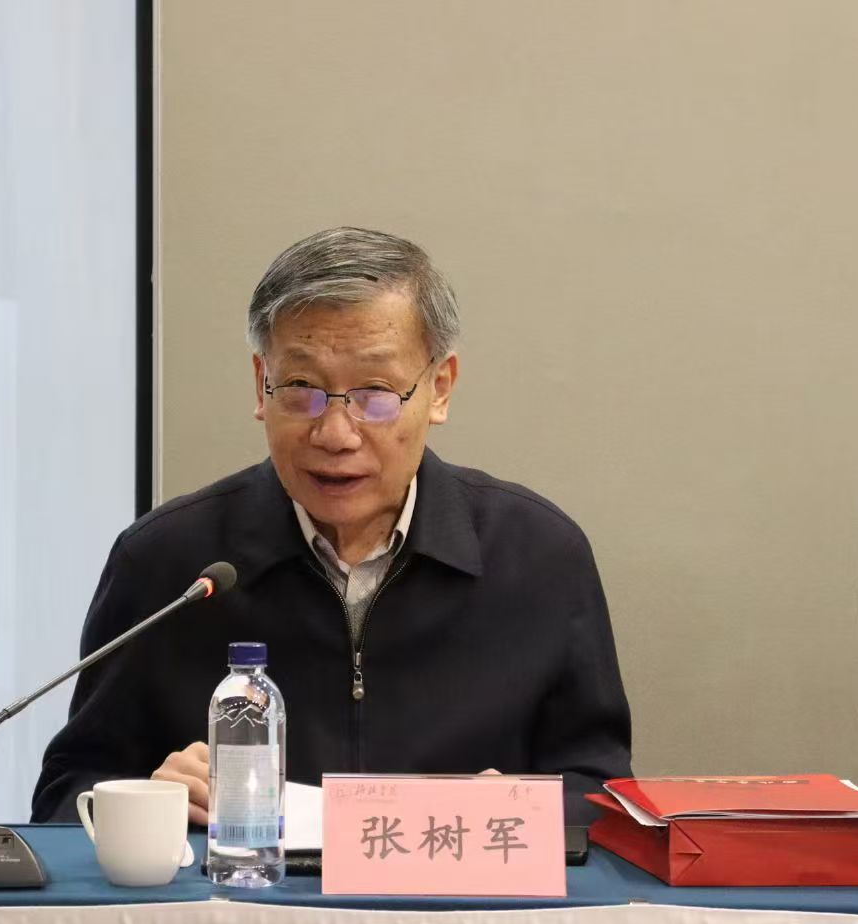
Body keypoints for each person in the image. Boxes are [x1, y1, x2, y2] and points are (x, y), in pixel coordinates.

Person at [31, 227, 631, 825]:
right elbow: (65, 797)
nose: (336, 434)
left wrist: (520, 809)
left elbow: (602, 796)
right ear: (261, 385)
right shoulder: (167, 562)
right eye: (302, 388)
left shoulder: (538, 555)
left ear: (439, 389)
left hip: (457, 886)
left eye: (375, 392)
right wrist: (147, 801)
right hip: (238, 888)